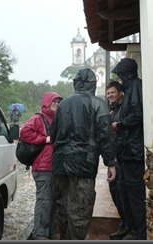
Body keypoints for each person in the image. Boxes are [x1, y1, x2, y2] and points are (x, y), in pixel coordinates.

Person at [51, 68, 117, 240]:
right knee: (80, 210)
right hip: (83, 165)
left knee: (63, 208)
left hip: (60, 165)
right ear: (93, 84)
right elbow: (106, 136)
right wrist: (111, 163)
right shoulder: (98, 103)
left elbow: (53, 134)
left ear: (76, 83)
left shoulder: (63, 104)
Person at [111, 58, 146, 240]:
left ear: (126, 74)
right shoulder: (131, 88)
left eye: (121, 76)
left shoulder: (135, 87)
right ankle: (132, 229)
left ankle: (140, 233)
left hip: (134, 151)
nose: (120, 79)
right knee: (125, 192)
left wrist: (120, 124)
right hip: (127, 151)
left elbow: (138, 114)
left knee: (135, 195)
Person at [20, 92, 63, 240]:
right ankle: (40, 235)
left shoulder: (57, 118)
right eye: (54, 101)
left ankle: (49, 233)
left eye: (58, 101)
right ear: (46, 102)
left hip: (53, 167)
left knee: (51, 202)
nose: (57, 103)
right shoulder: (38, 118)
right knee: (44, 201)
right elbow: (24, 133)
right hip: (43, 167)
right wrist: (45, 139)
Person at [106, 81, 128, 240]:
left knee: (122, 192)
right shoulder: (113, 109)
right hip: (115, 157)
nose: (110, 95)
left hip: (125, 156)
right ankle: (124, 223)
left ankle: (128, 226)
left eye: (112, 92)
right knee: (114, 190)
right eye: (108, 93)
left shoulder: (126, 108)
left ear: (120, 92)